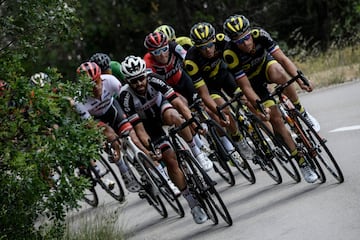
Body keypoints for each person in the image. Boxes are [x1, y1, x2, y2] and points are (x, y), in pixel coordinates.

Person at [222, 14, 319, 183]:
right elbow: (245, 87)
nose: (245, 43)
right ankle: (302, 161)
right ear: (233, 42)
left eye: (246, 38)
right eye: (239, 41)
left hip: (266, 66)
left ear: (250, 32)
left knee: (280, 72)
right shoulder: (230, 54)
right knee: (276, 120)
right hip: (253, 83)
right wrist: (259, 106)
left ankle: (301, 110)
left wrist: (300, 79)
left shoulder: (260, 34)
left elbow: (282, 58)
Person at [118, 55, 210, 224]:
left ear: (145, 74)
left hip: (162, 109)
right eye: (133, 81)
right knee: (170, 160)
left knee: (177, 117)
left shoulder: (154, 79)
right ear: (127, 81)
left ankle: (197, 152)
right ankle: (192, 203)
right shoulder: (125, 97)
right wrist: (151, 149)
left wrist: (193, 121)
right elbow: (140, 131)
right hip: (148, 125)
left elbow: (178, 103)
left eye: (140, 78)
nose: (138, 83)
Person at [184, 22, 255, 162]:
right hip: (210, 87)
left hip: (225, 76)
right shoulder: (191, 60)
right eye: (203, 48)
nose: (208, 50)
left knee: (247, 99)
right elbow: (204, 94)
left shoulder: (223, 40)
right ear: (197, 47)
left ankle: (256, 124)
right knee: (225, 109)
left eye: (210, 45)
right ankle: (239, 140)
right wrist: (219, 112)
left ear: (215, 39)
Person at [75, 61, 142, 192]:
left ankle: (140, 159)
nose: (95, 87)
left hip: (112, 109)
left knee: (132, 135)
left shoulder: (110, 80)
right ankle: (124, 170)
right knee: (111, 138)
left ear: (101, 78)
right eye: (89, 86)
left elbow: (126, 98)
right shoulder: (79, 99)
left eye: (96, 82)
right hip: (95, 119)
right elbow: (91, 126)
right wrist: (106, 142)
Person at [143, 31, 210, 155]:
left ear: (168, 45)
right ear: (151, 54)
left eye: (164, 49)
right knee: (182, 105)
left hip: (182, 79)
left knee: (200, 102)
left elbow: (188, 59)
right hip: (168, 88)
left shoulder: (174, 46)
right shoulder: (147, 62)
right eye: (157, 52)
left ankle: (209, 128)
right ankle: (197, 143)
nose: (162, 55)